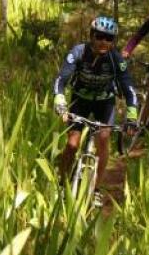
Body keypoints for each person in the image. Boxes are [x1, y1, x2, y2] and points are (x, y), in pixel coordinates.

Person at [53, 16, 137, 198]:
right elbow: (61, 79)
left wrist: (132, 116)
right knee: (72, 144)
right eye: (99, 36)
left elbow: (129, 88)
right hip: (80, 100)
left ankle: (96, 188)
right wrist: (60, 100)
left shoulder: (116, 60)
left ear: (113, 41)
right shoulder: (78, 52)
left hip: (104, 103)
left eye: (109, 38)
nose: (103, 42)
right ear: (92, 36)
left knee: (104, 138)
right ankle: (62, 181)